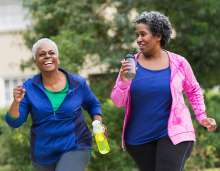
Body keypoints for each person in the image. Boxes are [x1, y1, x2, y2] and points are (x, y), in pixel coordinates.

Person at [111, 11, 217, 171]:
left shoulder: (179, 63)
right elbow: (117, 102)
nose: (138, 39)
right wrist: (124, 82)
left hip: (174, 134)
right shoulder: (129, 65)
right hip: (138, 139)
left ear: (158, 36)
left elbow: (193, 90)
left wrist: (201, 115)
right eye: (137, 35)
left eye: (143, 34)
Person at [5, 38, 107, 171]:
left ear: (57, 58)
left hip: (75, 145)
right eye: (42, 54)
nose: (47, 56)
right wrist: (16, 102)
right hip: (42, 153)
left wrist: (97, 123)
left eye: (51, 53)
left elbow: (93, 104)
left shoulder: (77, 83)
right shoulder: (28, 89)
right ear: (36, 62)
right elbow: (15, 122)